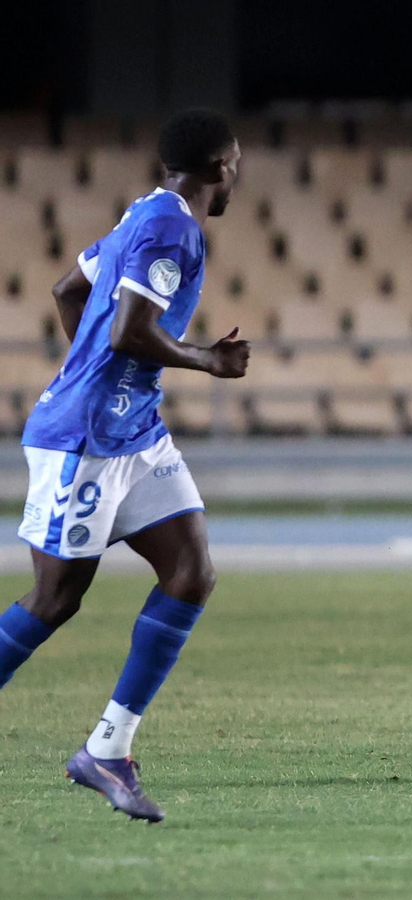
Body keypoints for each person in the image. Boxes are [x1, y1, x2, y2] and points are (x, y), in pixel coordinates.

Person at [0, 108, 248, 822]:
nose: (237, 176)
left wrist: (102, 376)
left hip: (134, 432)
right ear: (219, 167)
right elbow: (129, 330)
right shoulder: (173, 230)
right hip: (84, 439)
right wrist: (206, 360)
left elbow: (68, 290)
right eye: (235, 164)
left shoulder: (145, 213)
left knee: (191, 572)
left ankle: (107, 749)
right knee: (55, 599)